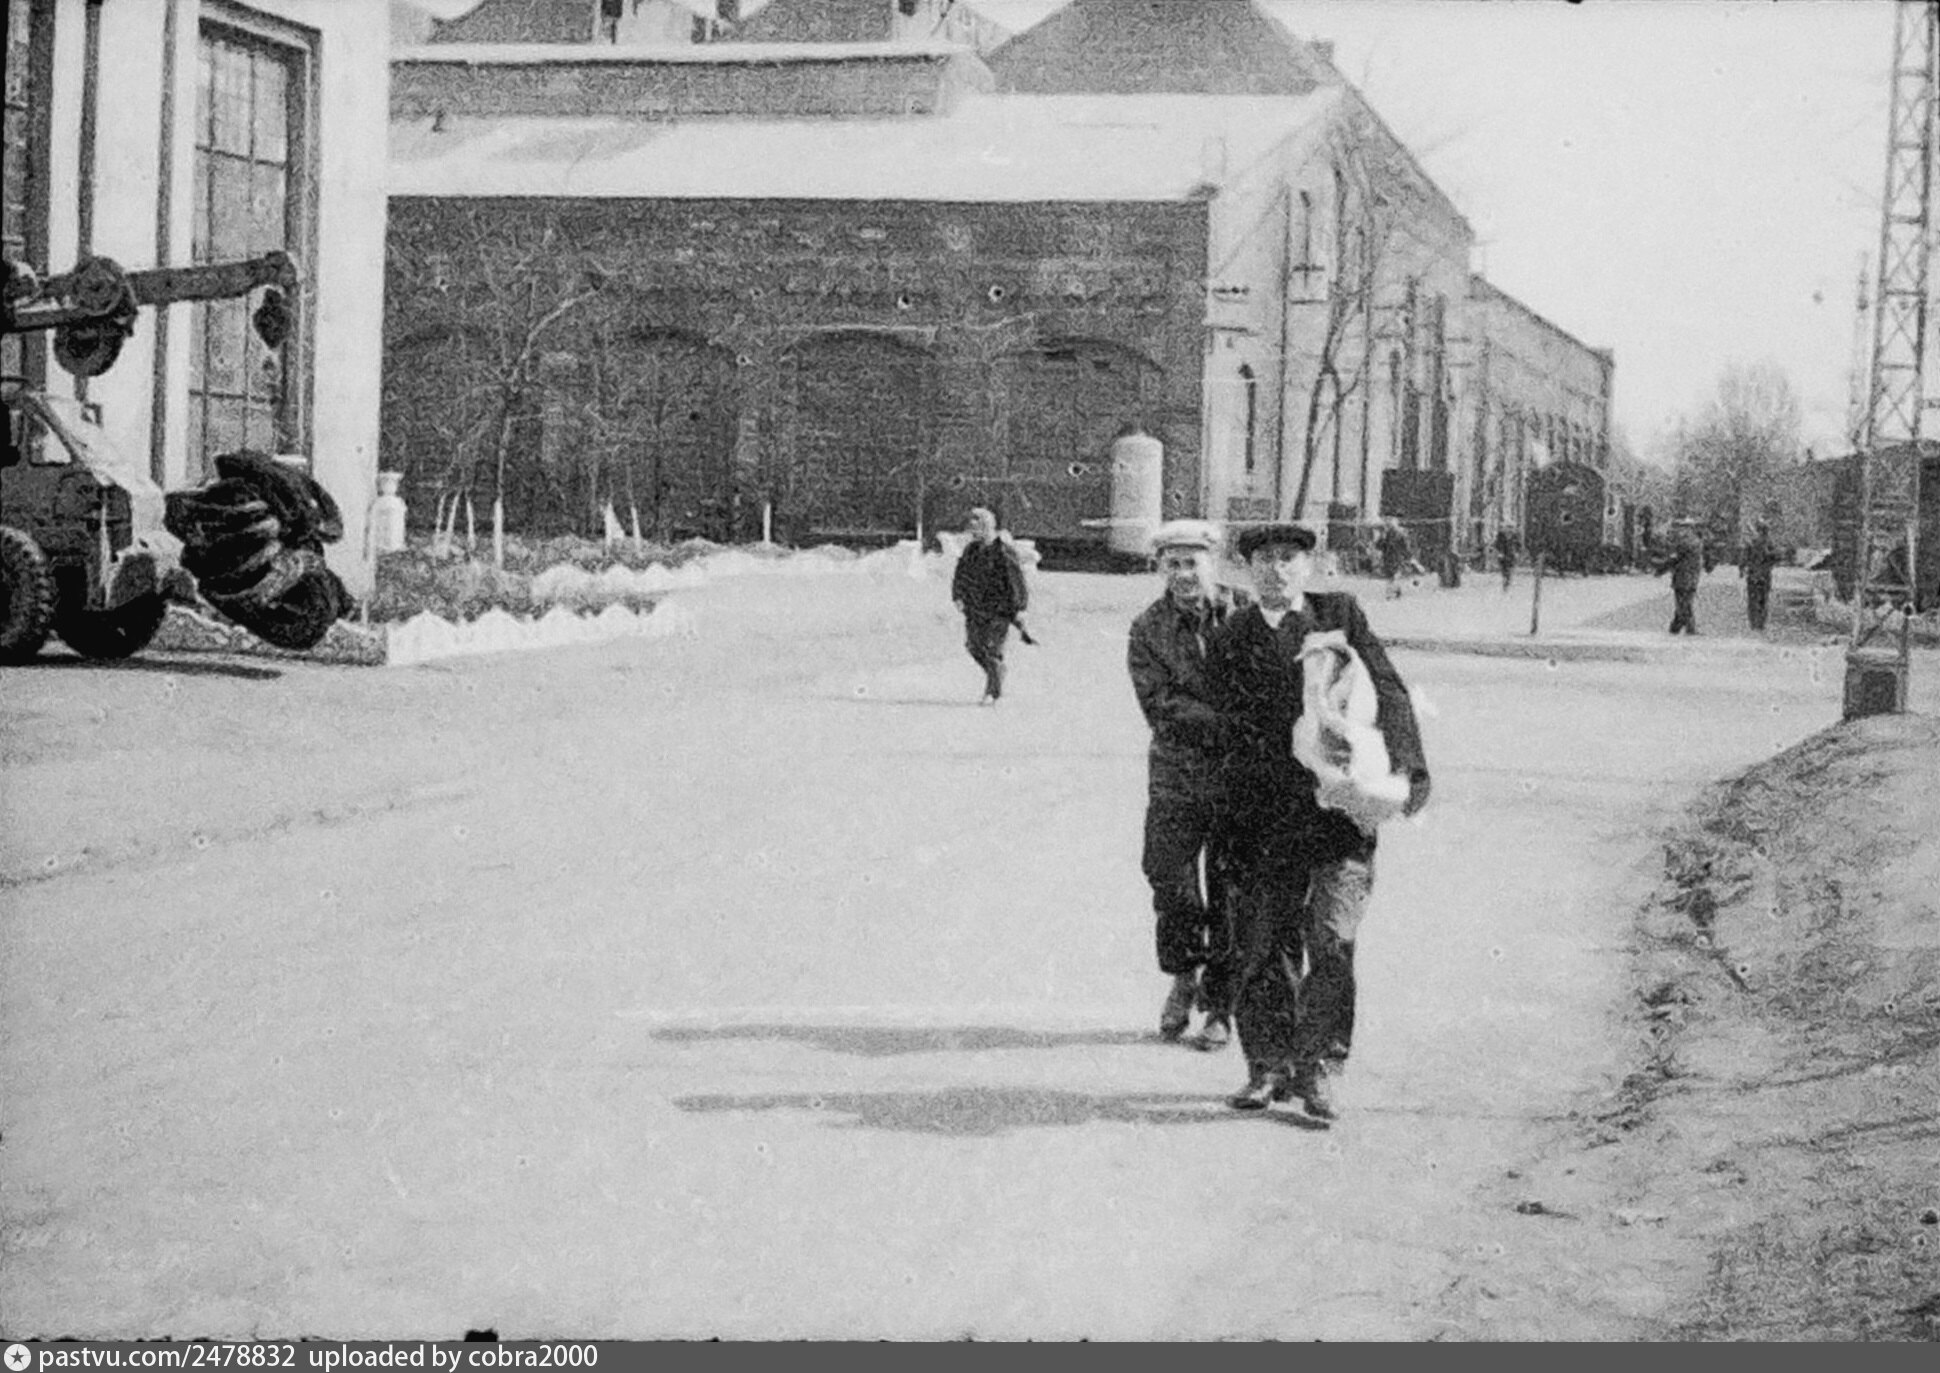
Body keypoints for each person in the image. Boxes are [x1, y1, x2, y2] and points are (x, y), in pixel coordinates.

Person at [1205, 523, 1431, 1119]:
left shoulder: (1339, 616)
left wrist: (1408, 768)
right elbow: (1219, 731)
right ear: (1247, 570)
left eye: (1289, 558)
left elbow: (1388, 689)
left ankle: (1320, 1068)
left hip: (1339, 817)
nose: (1277, 569)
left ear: (1309, 566)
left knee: (1332, 939)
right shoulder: (1232, 637)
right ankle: (1267, 1066)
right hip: (1264, 819)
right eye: (1264, 559)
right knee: (1263, 944)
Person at [1126, 520, 1249, 1049]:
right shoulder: (1147, 628)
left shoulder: (1245, 612)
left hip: (1238, 777)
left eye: (1191, 563)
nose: (1182, 574)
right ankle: (1183, 974)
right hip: (1176, 776)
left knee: (1231, 890)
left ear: (1212, 563)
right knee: (1169, 880)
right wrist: (1232, 720)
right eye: (1171, 564)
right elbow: (1160, 705)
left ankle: (1221, 1004)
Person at [950, 506, 1029, 703]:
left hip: (999, 610)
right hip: (975, 609)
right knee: (974, 646)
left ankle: (993, 692)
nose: (972, 532)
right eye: (971, 529)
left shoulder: (1003, 552)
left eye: (976, 528)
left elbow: (1016, 582)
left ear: (987, 527)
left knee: (991, 649)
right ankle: (998, 672)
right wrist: (958, 596)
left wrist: (1020, 608)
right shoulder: (971, 550)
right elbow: (960, 575)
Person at [1655, 519, 1706, 635]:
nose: (1679, 531)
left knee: (1683, 603)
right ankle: (1680, 627)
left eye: (1682, 528)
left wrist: (1661, 570)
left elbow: (1674, 559)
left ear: (1688, 529)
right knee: (1685, 602)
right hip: (1692, 577)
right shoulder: (1696, 541)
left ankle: (1682, 628)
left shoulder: (1685, 543)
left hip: (1683, 577)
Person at [1741, 520, 1779, 631]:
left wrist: (1742, 569)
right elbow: (1777, 557)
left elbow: (1744, 558)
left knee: (1753, 599)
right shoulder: (1770, 543)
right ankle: (1761, 623)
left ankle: (1754, 622)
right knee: (1763, 599)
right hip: (1764, 575)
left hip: (1753, 575)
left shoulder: (1752, 542)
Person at [1379, 517, 1415, 600]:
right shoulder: (1385, 535)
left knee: (1394, 576)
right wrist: (1382, 538)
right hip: (1388, 559)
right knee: (1391, 577)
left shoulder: (1399, 535)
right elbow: (1379, 546)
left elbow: (1405, 547)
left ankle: (1391, 593)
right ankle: (1395, 592)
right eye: (1387, 524)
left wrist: (1408, 556)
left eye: (1389, 524)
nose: (1387, 526)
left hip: (1396, 558)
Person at [1494, 527, 1518, 592]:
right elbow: (1497, 544)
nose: (1508, 530)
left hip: (1511, 555)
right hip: (1503, 555)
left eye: (1510, 528)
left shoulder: (1514, 536)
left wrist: (1516, 552)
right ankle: (1505, 580)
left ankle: (1507, 581)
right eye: (1507, 528)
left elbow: (1518, 545)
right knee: (1504, 569)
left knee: (1509, 569)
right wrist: (1499, 552)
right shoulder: (1500, 535)